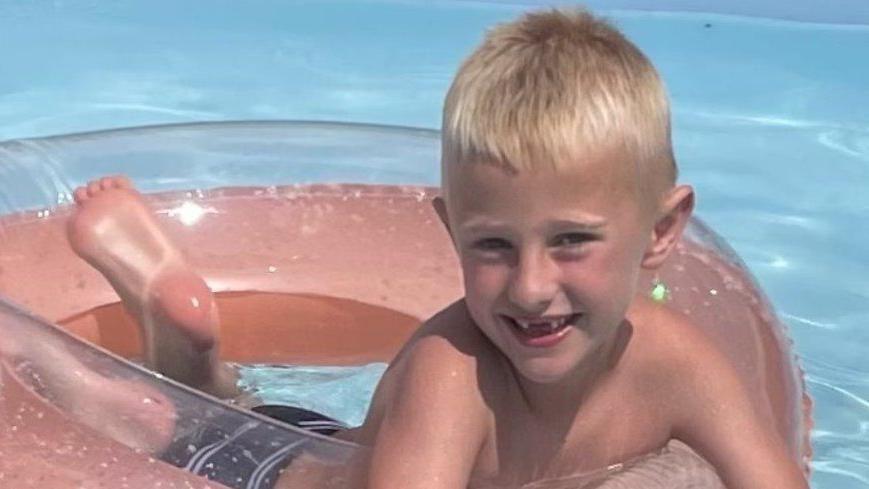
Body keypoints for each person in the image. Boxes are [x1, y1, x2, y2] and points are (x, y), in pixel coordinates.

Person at [60, 7, 808, 489]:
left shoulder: (682, 363)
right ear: (451, 230)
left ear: (661, 232)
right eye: (493, 245)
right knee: (175, 422)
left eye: (571, 241)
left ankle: (196, 355)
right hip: (270, 467)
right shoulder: (451, 374)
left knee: (245, 402)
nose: (528, 286)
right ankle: (174, 337)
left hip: (334, 443)